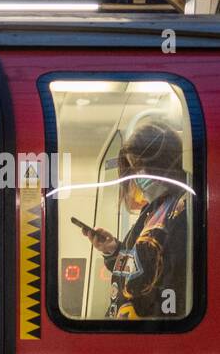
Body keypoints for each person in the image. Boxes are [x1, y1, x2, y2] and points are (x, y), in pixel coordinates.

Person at [81, 120, 190, 319]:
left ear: (162, 163)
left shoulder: (181, 209)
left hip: (149, 330)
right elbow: (137, 267)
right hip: (128, 326)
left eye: (139, 166)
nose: (137, 176)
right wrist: (113, 250)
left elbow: (174, 280)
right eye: (133, 168)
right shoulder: (152, 210)